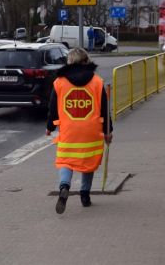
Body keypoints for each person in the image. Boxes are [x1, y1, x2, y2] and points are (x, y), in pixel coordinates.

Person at [46, 47, 113, 214]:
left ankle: (64, 186)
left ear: (69, 62)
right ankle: (85, 195)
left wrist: (49, 127)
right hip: (91, 130)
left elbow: (53, 107)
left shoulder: (59, 82)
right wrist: (108, 131)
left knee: (66, 161)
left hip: (69, 131)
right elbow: (105, 109)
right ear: (86, 61)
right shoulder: (97, 82)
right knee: (88, 162)